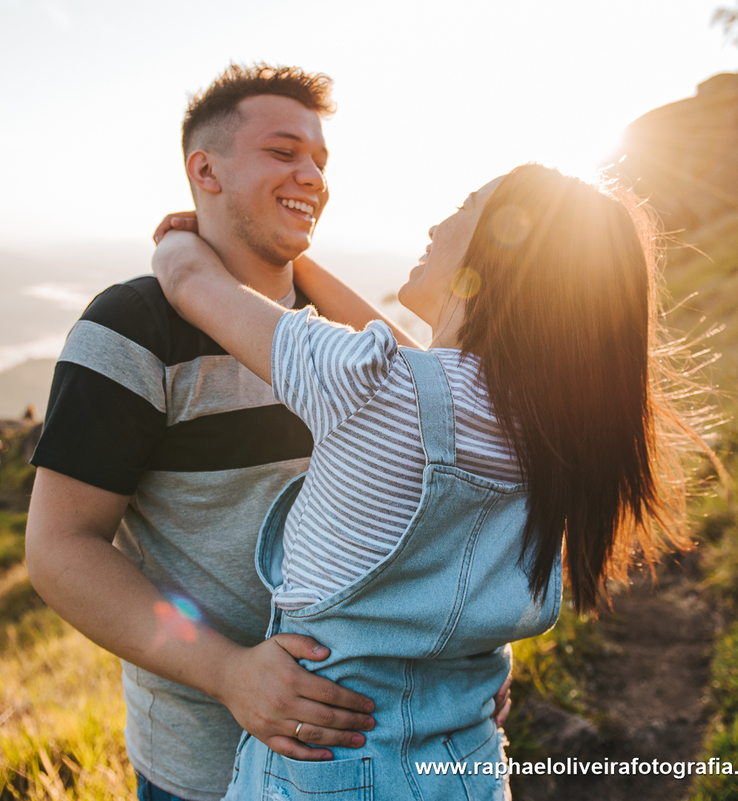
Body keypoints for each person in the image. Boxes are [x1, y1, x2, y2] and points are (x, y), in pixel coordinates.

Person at [24, 63, 508, 801]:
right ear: (205, 171)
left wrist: (468, 653)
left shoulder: (346, 345)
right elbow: (60, 549)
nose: (312, 176)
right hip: (203, 768)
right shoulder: (132, 327)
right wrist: (228, 672)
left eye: (320, 160)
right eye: (284, 153)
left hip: (389, 750)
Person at [149, 163, 707, 799]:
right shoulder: (555, 426)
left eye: (465, 206)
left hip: (330, 770)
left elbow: (190, 282)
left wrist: (179, 238)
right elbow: (417, 373)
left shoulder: (373, 387)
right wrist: (293, 261)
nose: (438, 225)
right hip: (466, 761)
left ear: (502, 248)